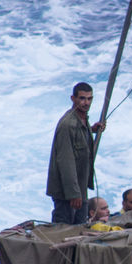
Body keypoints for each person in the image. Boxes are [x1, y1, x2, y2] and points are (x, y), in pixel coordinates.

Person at [46, 83, 104, 224]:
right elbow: (66, 161)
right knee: (63, 230)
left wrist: (91, 129)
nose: (86, 103)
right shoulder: (67, 124)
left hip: (80, 187)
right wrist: (73, 194)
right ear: (73, 98)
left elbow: (78, 140)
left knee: (80, 228)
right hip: (67, 193)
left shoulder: (82, 120)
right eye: (82, 98)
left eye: (89, 99)